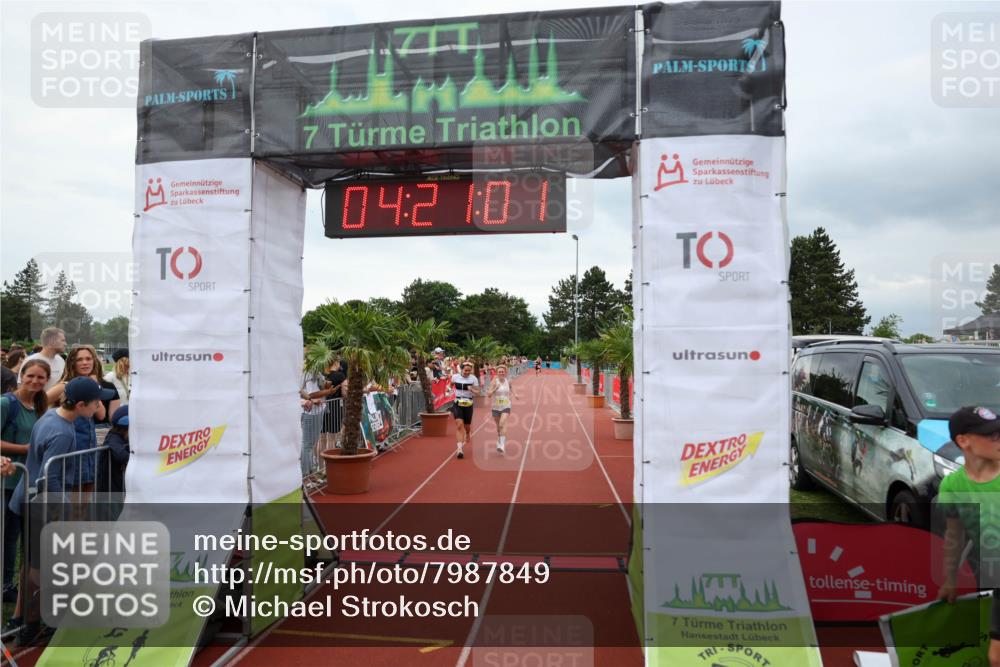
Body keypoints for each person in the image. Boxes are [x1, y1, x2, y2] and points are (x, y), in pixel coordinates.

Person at [8, 376, 112, 645]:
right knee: (42, 568)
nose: (98, 407)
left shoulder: (50, 415)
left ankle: (24, 620)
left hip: (28, 497)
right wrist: (64, 511)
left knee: (33, 562)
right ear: (80, 405)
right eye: (95, 402)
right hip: (42, 505)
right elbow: (49, 476)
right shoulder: (63, 433)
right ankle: (35, 624)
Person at [936, 405, 1000, 667]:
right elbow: (954, 535)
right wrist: (950, 579)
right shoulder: (952, 486)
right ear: (963, 441)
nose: (998, 439)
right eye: (991, 435)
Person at [1, 359, 50, 603]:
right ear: (21, 375)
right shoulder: (6, 404)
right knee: (7, 536)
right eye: (31, 375)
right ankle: (5, 585)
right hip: (7, 482)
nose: (35, 381)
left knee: (22, 536)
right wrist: (24, 449)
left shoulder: (40, 405)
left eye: (41, 377)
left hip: (29, 482)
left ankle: (18, 584)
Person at [96, 404, 130, 501]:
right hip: (109, 490)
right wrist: (132, 460)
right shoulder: (113, 437)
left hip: (118, 486)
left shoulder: (124, 438)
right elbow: (121, 455)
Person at [299, 366, 328, 476]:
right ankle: (306, 475)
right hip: (310, 412)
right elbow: (311, 394)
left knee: (309, 445)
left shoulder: (315, 371)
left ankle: (310, 473)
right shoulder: (309, 372)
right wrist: (328, 391)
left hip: (315, 411)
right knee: (307, 445)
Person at [487, 364, 519, 454]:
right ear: (497, 373)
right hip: (495, 407)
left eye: (503, 372)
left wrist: (515, 394)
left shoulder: (508, 381)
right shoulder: (494, 382)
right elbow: (489, 395)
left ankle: (502, 445)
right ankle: (499, 439)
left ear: (505, 372)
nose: (501, 373)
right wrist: (495, 389)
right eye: (499, 372)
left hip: (506, 405)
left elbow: (511, 388)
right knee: (498, 427)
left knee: (502, 424)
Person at [450, 361, 479, 459]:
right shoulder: (455, 377)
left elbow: (478, 392)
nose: (467, 372)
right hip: (457, 403)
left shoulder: (473, 379)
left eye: (469, 371)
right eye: (466, 370)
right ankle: (459, 449)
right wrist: (449, 389)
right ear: (461, 369)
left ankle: (467, 433)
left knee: (467, 426)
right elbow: (451, 384)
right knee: (459, 424)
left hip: (468, 404)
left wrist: (472, 389)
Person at [24, 327, 66, 391]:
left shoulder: (61, 360)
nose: (65, 344)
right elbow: (21, 387)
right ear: (52, 341)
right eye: (62, 340)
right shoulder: (31, 360)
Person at [318, 360, 347, 451]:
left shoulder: (323, 374)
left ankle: (320, 460)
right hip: (335, 407)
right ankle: (330, 459)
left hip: (322, 406)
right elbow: (345, 392)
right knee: (331, 437)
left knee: (322, 438)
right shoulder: (340, 375)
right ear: (335, 363)